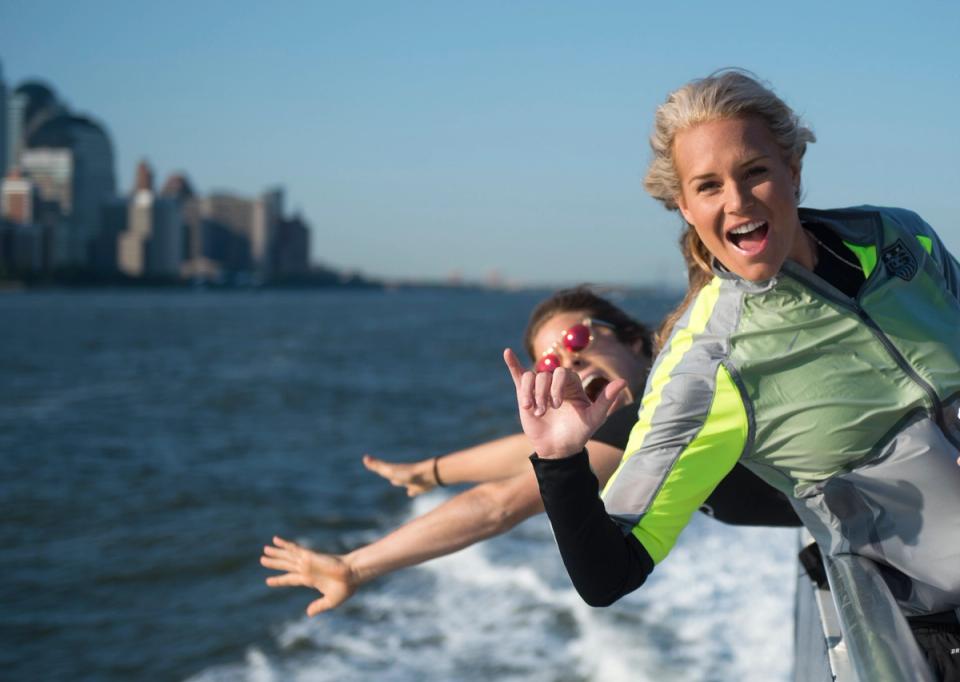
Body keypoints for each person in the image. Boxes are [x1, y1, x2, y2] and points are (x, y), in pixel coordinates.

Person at [504, 70, 960, 679]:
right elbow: (606, 574)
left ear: (793, 171)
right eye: (709, 186)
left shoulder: (899, 237)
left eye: (755, 172)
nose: (738, 202)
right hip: (935, 632)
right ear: (686, 208)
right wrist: (560, 462)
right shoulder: (708, 364)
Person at [261, 287, 799, 616]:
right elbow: (536, 449)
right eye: (549, 365)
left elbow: (501, 503)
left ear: (632, 339)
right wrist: (433, 471)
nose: (567, 366)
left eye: (575, 342)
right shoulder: (640, 414)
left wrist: (354, 566)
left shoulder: (663, 412)